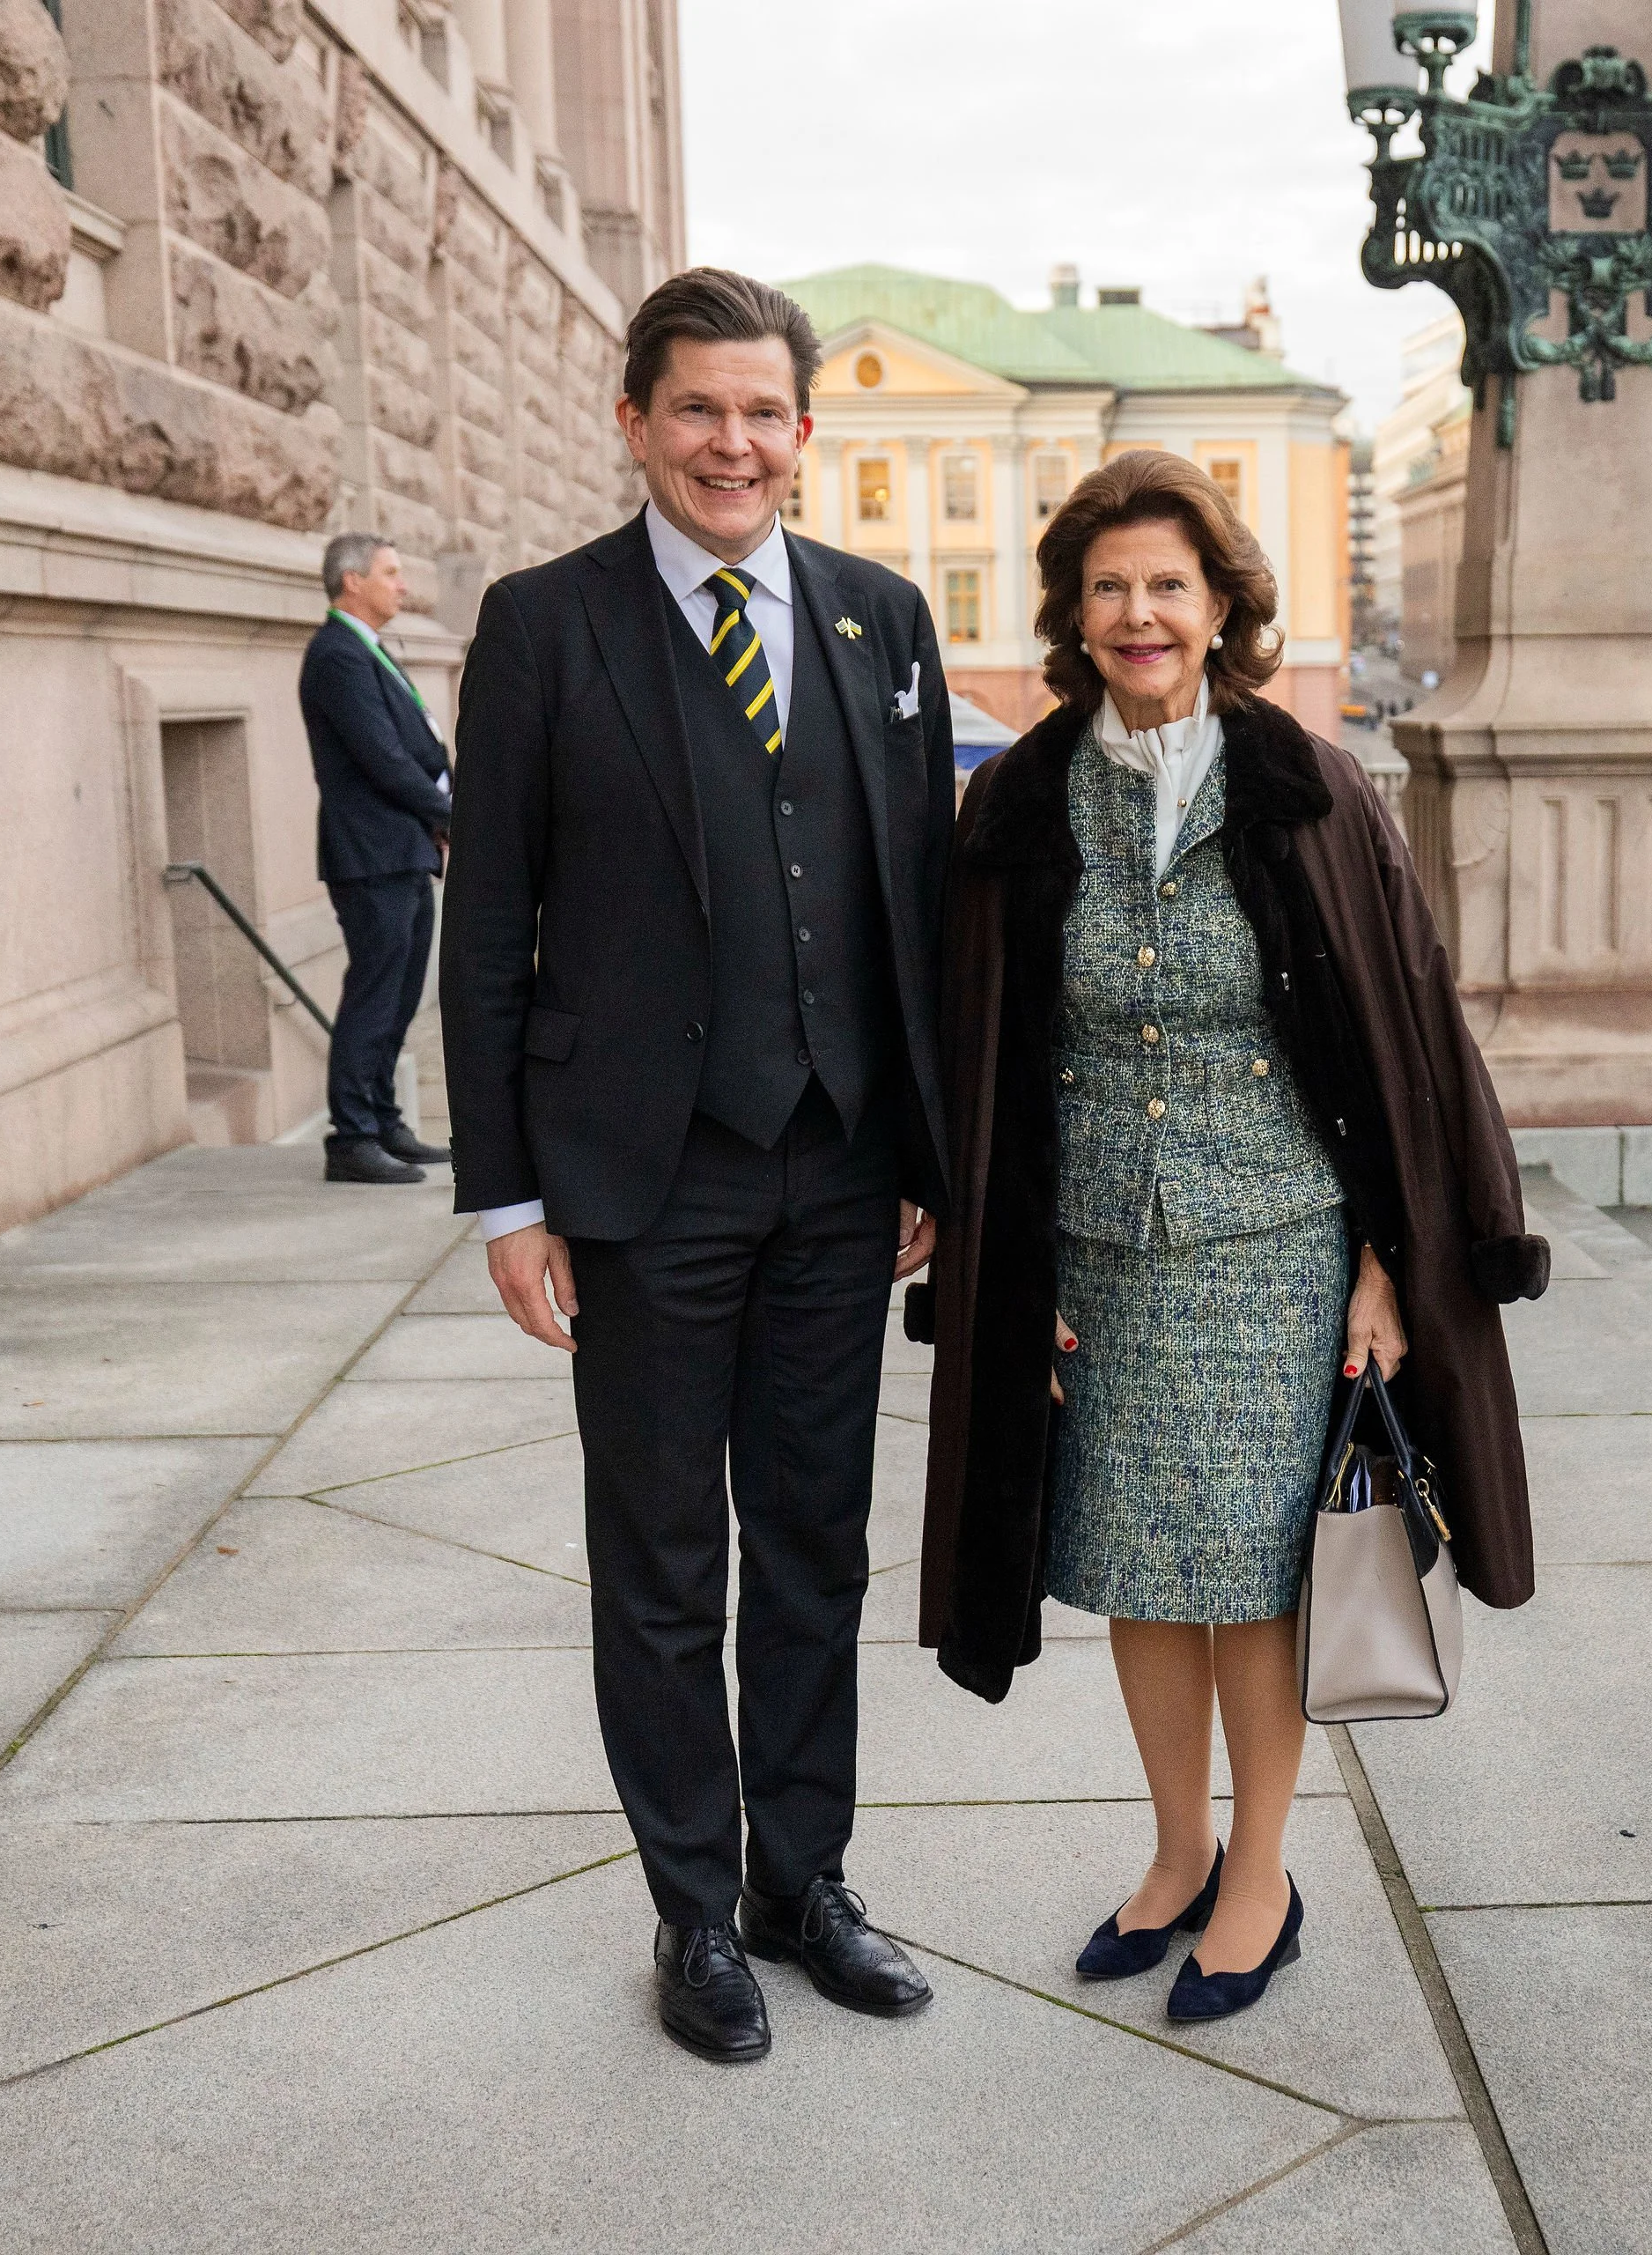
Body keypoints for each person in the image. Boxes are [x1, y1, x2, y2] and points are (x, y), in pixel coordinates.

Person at [914, 451, 1546, 2023]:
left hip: (1278, 1248)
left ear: (1220, 610)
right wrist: (1009, 1265)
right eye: (1111, 587)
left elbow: (1407, 1036)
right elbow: (978, 1040)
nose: (1139, 614)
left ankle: (1259, 1872)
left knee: (1258, 1579)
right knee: (1139, 1569)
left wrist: (1393, 1264)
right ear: (1073, 611)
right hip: (1098, 1259)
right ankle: (1175, 1849)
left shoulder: (1308, 787)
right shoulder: (1017, 797)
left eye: (1168, 588)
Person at [438, 270, 955, 2065]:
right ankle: (688, 1907)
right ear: (636, 420)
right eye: (698, 410)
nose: (732, 442)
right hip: (639, 1180)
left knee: (814, 1541)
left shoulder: (882, 621)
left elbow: (915, 903)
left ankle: (799, 1883)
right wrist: (506, 1194)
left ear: (804, 433)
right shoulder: (541, 626)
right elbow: (486, 917)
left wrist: (931, 1155)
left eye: (764, 412)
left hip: (838, 1171)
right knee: (662, 1560)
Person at [299, 534, 454, 1185]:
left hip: (401, 848)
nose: (402, 585)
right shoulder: (337, 654)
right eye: (391, 573)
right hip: (371, 852)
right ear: (352, 580)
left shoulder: (368, 648)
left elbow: (409, 746)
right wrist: (452, 815)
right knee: (374, 992)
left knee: (400, 993)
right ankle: (352, 1136)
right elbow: (382, 758)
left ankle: (385, 1120)